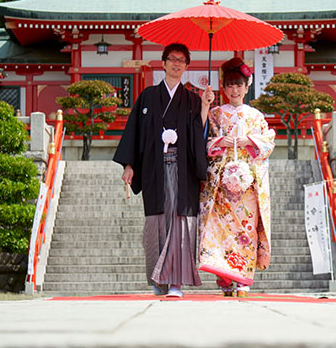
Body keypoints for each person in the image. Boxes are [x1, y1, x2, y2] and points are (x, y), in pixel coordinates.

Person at [113, 43, 215, 298]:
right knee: (157, 222)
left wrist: (204, 107)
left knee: (180, 222)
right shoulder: (147, 96)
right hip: (154, 171)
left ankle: (176, 282)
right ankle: (159, 279)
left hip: (183, 171)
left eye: (182, 60)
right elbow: (135, 133)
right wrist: (129, 165)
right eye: (172, 59)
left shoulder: (192, 99)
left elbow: (199, 133)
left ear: (187, 66)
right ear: (164, 63)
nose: (176, 64)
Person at [198, 57, 275, 297]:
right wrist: (221, 141)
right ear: (223, 87)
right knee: (221, 229)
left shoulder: (255, 116)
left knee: (245, 230)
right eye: (230, 85)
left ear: (247, 86)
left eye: (239, 85)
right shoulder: (216, 114)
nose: (234, 90)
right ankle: (225, 278)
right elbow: (204, 140)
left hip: (247, 184)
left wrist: (248, 141)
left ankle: (243, 280)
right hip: (221, 184)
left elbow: (268, 141)